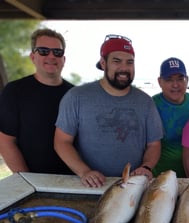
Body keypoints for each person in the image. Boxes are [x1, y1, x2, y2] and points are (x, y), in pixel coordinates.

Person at [54, 34, 163, 188]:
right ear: (103, 63)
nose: (124, 68)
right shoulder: (76, 97)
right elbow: (62, 142)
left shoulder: (145, 101)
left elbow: (154, 144)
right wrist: (84, 172)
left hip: (132, 186)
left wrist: (146, 167)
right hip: (89, 185)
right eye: (117, 61)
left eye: (129, 62)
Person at [0, 28, 73, 175]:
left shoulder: (75, 95)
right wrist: (27, 180)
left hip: (74, 180)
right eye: (44, 51)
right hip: (31, 182)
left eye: (57, 52)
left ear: (63, 59)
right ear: (33, 57)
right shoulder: (15, 91)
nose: (51, 56)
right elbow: (5, 142)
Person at [152, 57, 189, 178]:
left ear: (187, 80)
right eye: (169, 79)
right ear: (160, 82)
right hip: (160, 176)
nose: (175, 85)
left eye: (180, 79)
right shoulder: (152, 104)